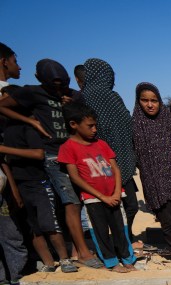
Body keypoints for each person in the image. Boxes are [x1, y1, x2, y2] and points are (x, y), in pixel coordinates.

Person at [0, 59, 103, 268]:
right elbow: (3, 106)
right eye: (54, 84)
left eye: (62, 83)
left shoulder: (74, 94)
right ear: (40, 79)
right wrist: (30, 121)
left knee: (80, 200)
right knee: (70, 202)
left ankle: (76, 249)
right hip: (53, 155)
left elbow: (85, 119)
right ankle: (82, 253)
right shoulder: (32, 92)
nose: (58, 87)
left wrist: (72, 106)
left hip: (75, 152)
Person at [58, 102, 136, 272]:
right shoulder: (68, 148)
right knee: (100, 232)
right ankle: (112, 262)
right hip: (93, 199)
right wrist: (103, 197)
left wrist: (116, 192)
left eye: (95, 126)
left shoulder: (101, 144)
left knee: (120, 229)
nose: (94, 130)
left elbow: (115, 168)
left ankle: (127, 259)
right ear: (73, 125)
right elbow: (75, 177)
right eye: (90, 126)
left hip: (115, 196)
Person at [1, 115, 77, 273]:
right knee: (32, 227)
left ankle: (64, 259)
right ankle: (48, 262)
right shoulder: (5, 131)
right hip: (17, 184)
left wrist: (3, 149)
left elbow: (39, 154)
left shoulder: (27, 128)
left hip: (37, 182)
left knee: (49, 224)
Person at [80, 59, 139, 244]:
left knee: (129, 205)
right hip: (103, 161)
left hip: (115, 158)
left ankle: (124, 238)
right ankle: (119, 241)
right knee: (119, 206)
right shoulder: (87, 98)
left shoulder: (108, 96)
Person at [132, 82, 171, 267]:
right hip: (153, 179)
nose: (150, 105)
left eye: (154, 100)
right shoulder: (134, 125)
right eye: (145, 100)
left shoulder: (170, 121)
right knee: (167, 220)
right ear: (138, 101)